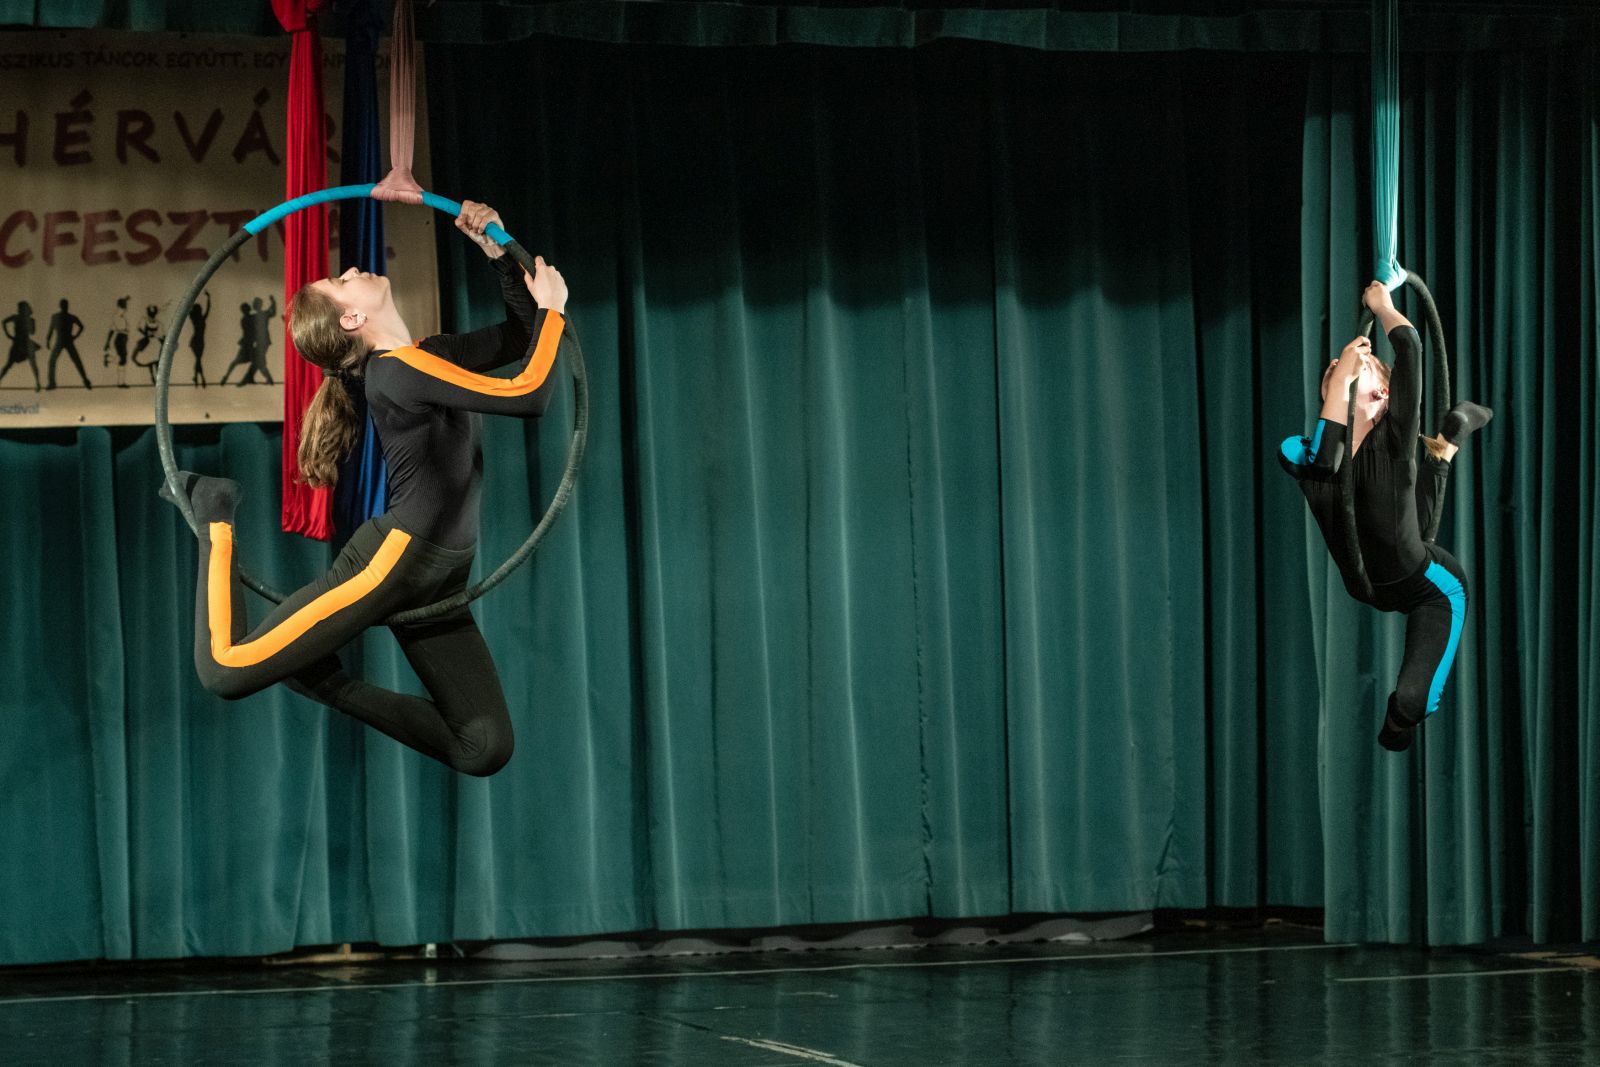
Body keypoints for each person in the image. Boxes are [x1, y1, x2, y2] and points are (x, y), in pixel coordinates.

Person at [161, 202, 568, 777]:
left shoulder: (424, 358)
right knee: (225, 670)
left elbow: (520, 338)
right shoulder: (396, 371)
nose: (352, 269)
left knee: (483, 748)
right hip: (393, 563)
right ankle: (215, 511)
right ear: (351, 319)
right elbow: (528, 395)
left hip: (440, 573)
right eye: (341, 280)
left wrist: (501, 261)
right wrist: (554, 311)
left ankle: (320, 679)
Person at [1279, 280, 1492, 751]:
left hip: (1427, 586)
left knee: (1413, 704)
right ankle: (1443, 448)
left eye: (1359, 370)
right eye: (1334, 370)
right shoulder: (1300, 451)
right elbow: (1326, 460)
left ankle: (1443, 446)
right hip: (1370, 583)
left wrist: (1382, 305)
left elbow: (1410, 347)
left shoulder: (1393, 436)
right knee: (1400, 508)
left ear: (1381, 395)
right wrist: (1343, 381)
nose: (1341, 367)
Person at [45, 298, 91, 390]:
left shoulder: (66, 317)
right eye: (64, 305)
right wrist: (48, 340)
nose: (65, 307)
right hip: (62, 341)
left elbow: (81, 326)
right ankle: (52, 383)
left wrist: (75, 336)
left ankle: (85, 380)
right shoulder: (58, 317)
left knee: (76, 361)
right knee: (54, 361)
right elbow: (51, 329)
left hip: (66, 341)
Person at [0, 301, 41, 391]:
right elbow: (4, 322)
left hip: (25, 343)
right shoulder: (16, 317)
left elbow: (32, 332)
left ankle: (38, 383)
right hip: (18, 343)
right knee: (9, 364)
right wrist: (8, 334)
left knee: (33, 363)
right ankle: (38, 383)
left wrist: (28, 325)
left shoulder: (29, 320)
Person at [104, 296, 130, 388]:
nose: (126, 308)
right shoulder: (118, 315)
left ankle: (108, 359)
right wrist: (107, 342)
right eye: (124, 305)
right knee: (123, 360)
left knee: (122, 359)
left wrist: (126, 299)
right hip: (120, 338)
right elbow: (112, 330)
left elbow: (112, 329)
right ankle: (120, 383)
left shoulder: (120, 314)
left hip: (123, 338)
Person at [188, 291, 211, 388]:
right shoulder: (196, 318)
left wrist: (209, 298)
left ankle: (196, 377)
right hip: (197, 341)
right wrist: (208, 298)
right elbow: (188, 308)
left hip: (199, 341)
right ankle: (201, 378)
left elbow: (208, 309)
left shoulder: (199, 318)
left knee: (198, 360)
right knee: (198, 359)